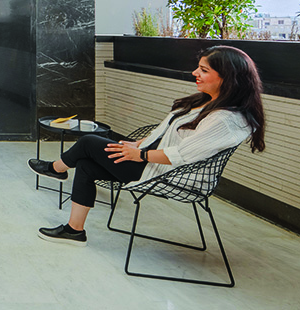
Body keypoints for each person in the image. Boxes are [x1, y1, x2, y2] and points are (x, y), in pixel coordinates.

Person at [28, 45, 266, 246]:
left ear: (229, 78)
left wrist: (140, 154)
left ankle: (56, 169)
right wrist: (139, 144)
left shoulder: (225, 119)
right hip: (152, 160)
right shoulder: (206, 102)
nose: (195, 73)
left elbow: (182, 154)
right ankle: (74, 230)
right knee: (86, 164)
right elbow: (167, 132)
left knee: (89, 141)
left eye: (203, 70)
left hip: (165, 172)